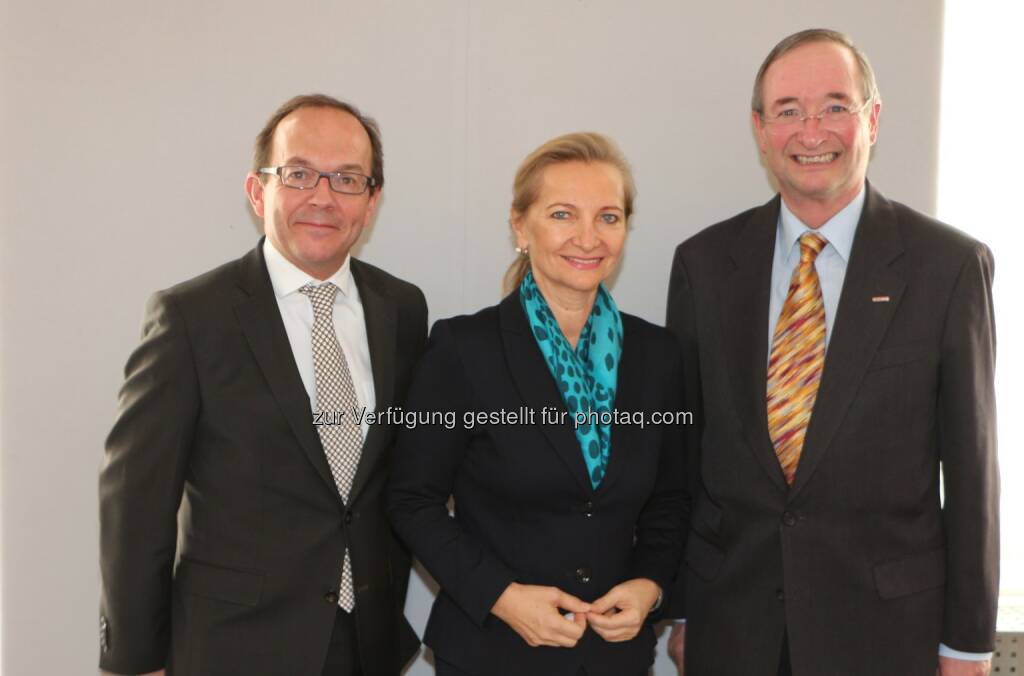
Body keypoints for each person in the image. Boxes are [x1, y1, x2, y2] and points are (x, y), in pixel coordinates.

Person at [664, 28, 998, 676]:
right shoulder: (703, 265)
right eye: (788, 110)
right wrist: (681, 611)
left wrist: (966, 644)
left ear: (872, 119)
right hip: (731, 629)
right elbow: (684, 456)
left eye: (835, 107)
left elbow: (973, 472)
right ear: (761, 129)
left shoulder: (947, 268)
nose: (811, 131)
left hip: (887, 636)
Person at [98, 94, 427, 676]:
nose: (323, 196)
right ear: (258, 191)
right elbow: (135, 503)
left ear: (371, 202)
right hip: (234, 648)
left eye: (347, 179)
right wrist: (135, 661)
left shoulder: (401, 308)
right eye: (299, 174)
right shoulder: (190, 318)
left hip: (367, 647)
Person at [388, 132, 687, 676]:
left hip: (613, 658)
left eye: (608, 217)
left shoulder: (658, 356)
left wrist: (650, 586)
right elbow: (412, 501)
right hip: (491, 651)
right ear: (520, 226)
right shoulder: (462, 349)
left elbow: (671, 499)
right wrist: (501, 597)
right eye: (562, 214)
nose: (587, 237)